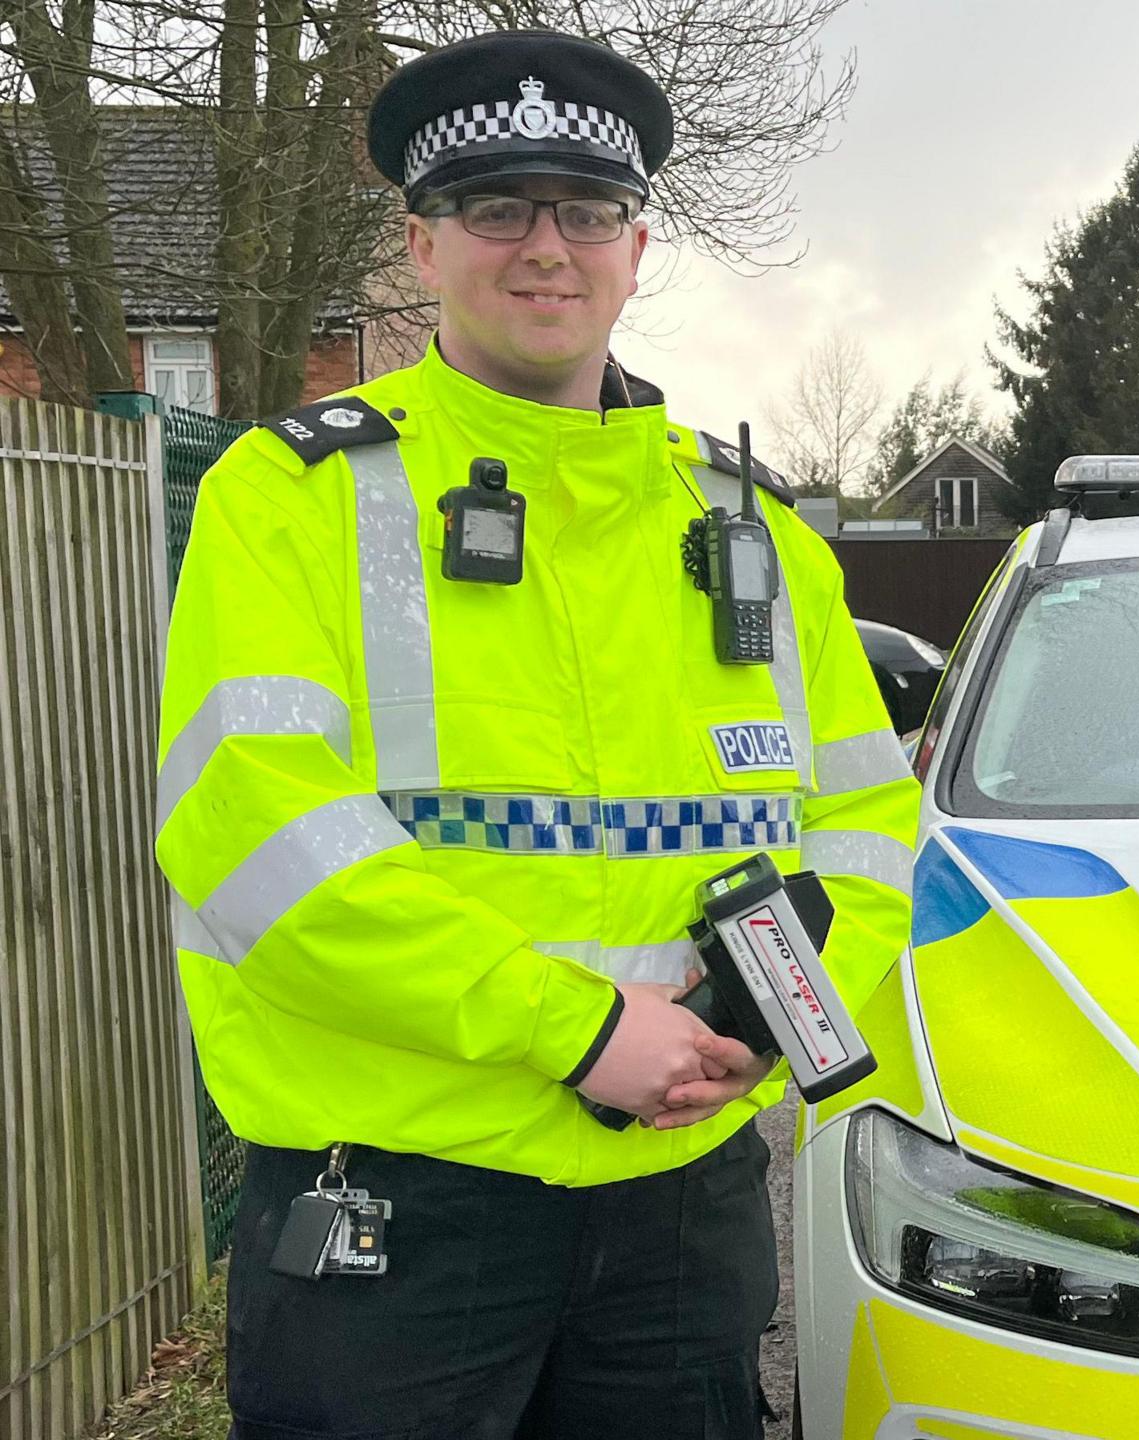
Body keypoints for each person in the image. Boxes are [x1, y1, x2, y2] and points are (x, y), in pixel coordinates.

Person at [151, 29, 919, 1439]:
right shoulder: (296, 497)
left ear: (637, 245)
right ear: (422, 241)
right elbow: (254, 834)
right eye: (497, 208)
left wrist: (755, 1029)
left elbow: (871, 835)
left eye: (586, 209)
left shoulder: (754, 533)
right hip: (392, 1209)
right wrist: (574, 1034)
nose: (545, 247)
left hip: (679, 1205)